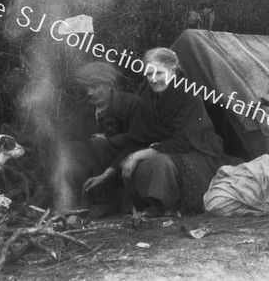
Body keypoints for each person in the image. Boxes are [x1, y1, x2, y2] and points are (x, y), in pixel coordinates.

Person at [119, 47, 225, 216]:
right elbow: (136, 137)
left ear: (173, 71)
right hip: (163, 148)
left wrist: (141, 154)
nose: (153, 80)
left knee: (159, 163)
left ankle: (168, 205)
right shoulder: (147, 97)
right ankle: (151, 204)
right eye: (148, 74)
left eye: (159, 73)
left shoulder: (189, 94)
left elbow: (183, 140)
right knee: (130, 161)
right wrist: (109, 171)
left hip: (194, 150)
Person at [74, 62, 141, 218]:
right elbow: (76, 139)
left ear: (109, 84)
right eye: (87, 87)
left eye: (95, 86)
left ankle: (106, 200)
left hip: (125, 160)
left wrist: (110, 139)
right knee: (70, 147)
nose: (89, 92)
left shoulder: (131, 103)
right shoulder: (84, 108)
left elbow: (138, 138)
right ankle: (80, 198)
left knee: (99, 143)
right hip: (94, 166)